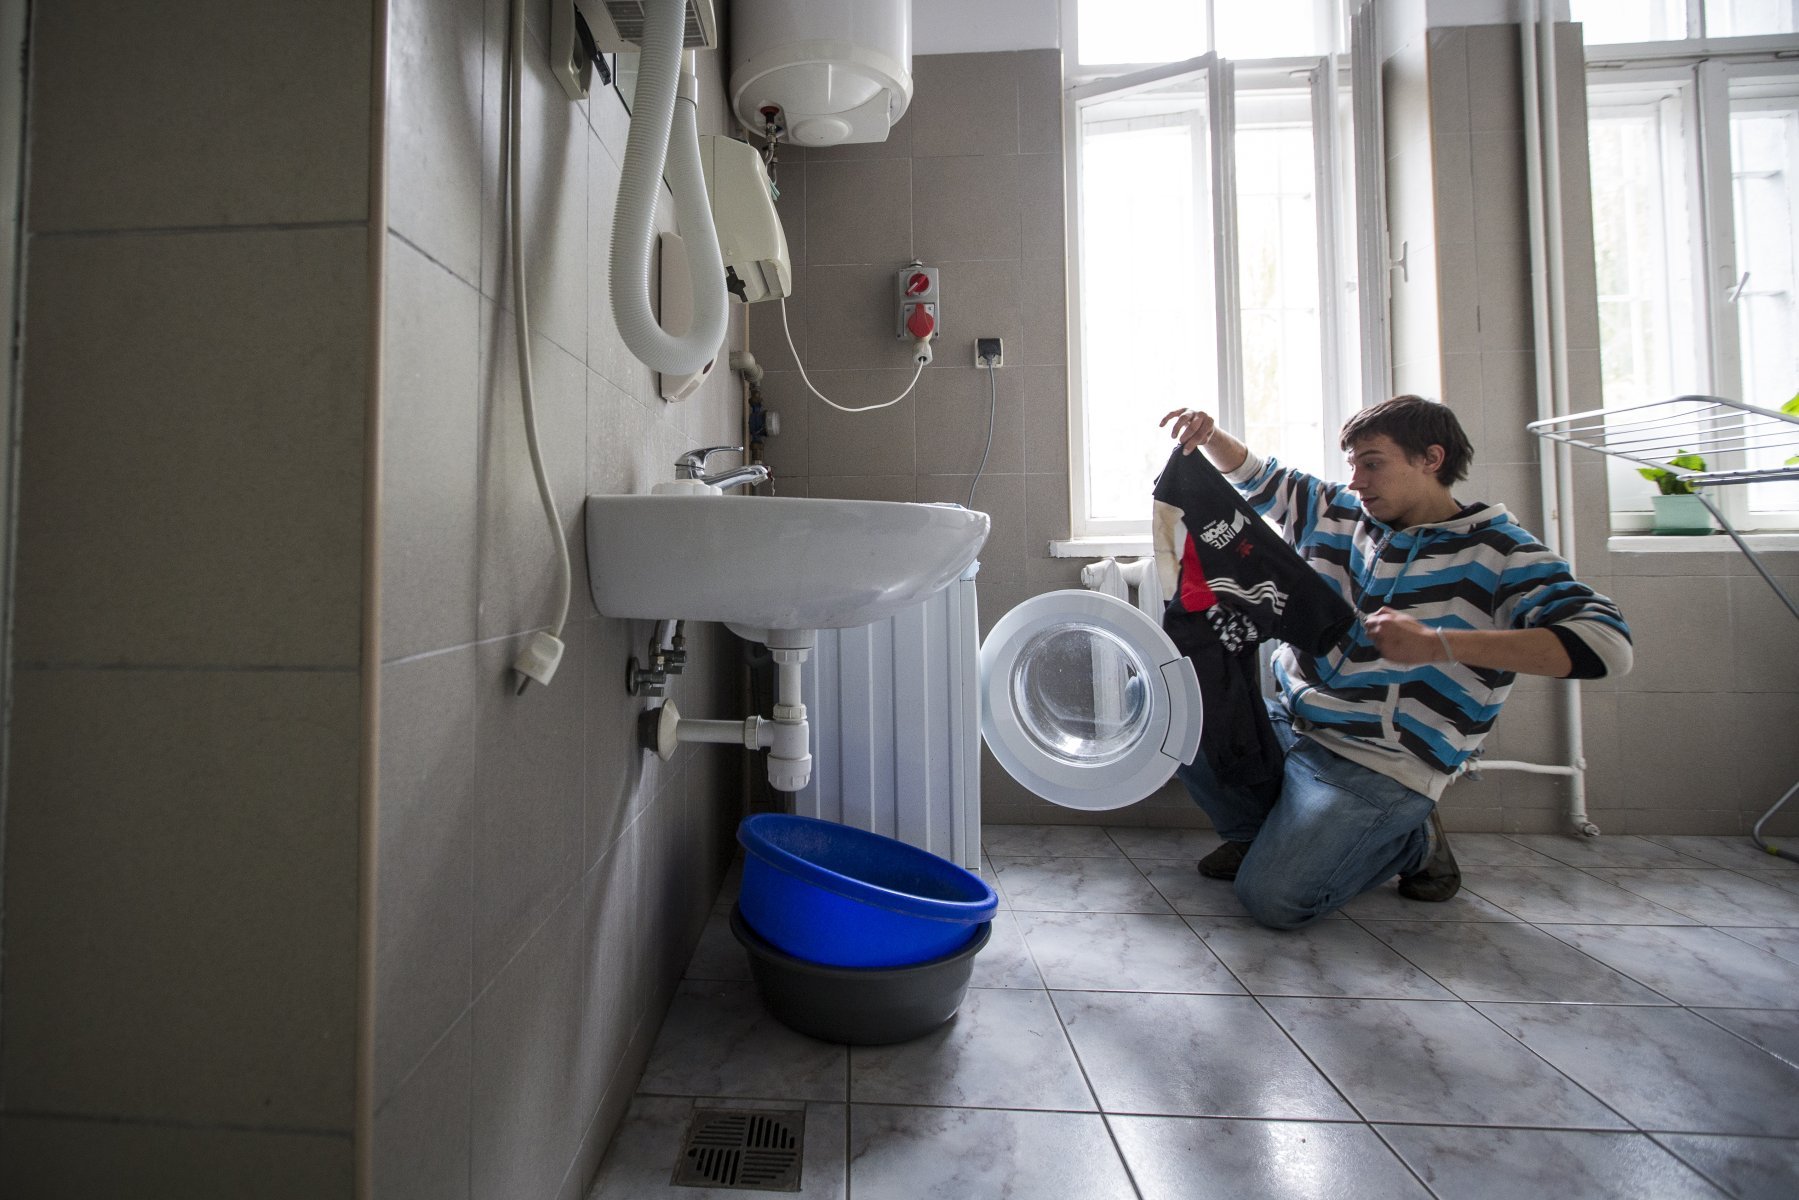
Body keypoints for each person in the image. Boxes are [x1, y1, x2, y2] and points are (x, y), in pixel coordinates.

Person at [1157, 396, 1632, 929]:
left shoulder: (1502, 553)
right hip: (1295, 723)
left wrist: (1439, 644)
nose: (1357, 480)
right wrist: (1210, 435)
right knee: (1163, 702)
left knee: (1273, 899)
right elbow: (1258, 475)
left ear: (1431, 459)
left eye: (1373, 463)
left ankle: (1412, 841)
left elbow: (1607, 645)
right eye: (1353, 464)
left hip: (1380, 760)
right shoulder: (1335, 511)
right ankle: (1258, 837)